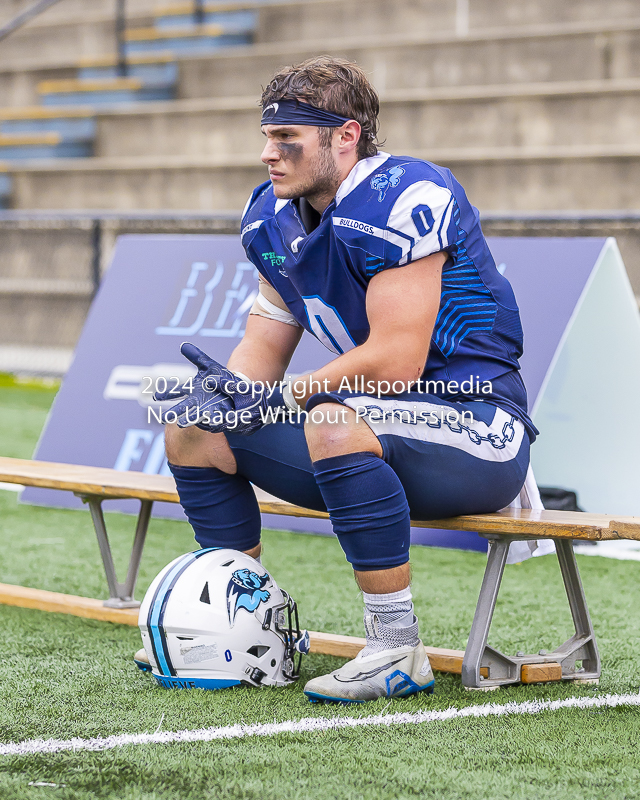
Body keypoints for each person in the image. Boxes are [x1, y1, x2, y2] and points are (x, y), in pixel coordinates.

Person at [158, 56, 537, 703]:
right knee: (194, 427)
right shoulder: (271, 216)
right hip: (367, 426)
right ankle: (244, 621)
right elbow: (262, 349)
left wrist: (290, 396)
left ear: (345, 136)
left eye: (286, 140)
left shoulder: (407, 195)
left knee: (331, 418)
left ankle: (396, 646)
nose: (267, 155)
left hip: (478, 425)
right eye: (266, 137)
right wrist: (235, 392)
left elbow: (396, 361)